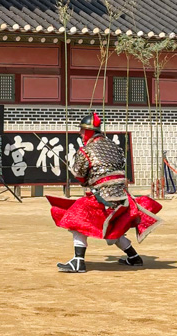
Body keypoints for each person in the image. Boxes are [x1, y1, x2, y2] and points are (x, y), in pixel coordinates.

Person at [47, 112, 162, 273]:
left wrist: (83, 179)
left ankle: (78, 261)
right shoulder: (115, 147)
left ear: (88, 131)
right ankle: (134, 257)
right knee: (112, 228)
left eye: (82, 130)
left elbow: (80, 175)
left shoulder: (85, 151)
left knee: (75, 216)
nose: (80, 133)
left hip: (102, 199)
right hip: (123, 198)